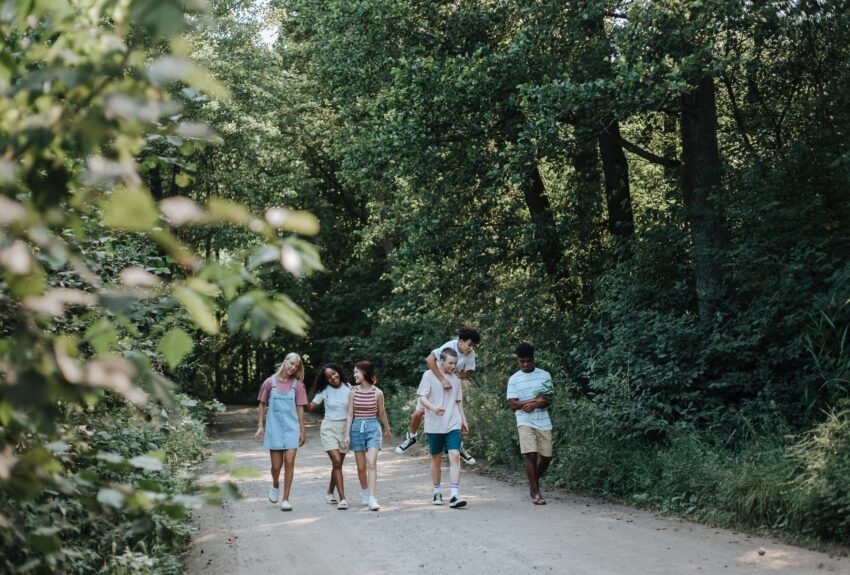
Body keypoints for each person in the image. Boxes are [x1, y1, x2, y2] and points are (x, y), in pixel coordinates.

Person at [396, 327, 480, 464]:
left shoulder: (471, 353)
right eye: (469, 345)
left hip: (451, 386)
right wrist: (442, 379)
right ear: (461, 341)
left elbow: (470, 369)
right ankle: (411, 437)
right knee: (417, 413)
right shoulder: (449, 346)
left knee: (455, 415)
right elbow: (429, 360)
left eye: (473, 346)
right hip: (435, 381)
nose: (471, 348)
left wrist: (461, 375)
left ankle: (459, 447)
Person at [255, 352, 308, 511]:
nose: (293, 367)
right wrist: (260, 425)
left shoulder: (298, 386)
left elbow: (300, 409)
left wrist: (302, 430)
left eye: (296, 365)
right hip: (274, 428)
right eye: (291, 363)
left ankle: (286, 499)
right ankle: (275, 483)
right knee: (276, 466)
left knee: (290, 461)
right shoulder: (269, 383)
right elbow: (262, 404)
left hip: (292, 429)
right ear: (285, 362)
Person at [417, 347, 468, 508]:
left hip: (453, 421)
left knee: (454, 455)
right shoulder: (428, 375)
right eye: (451, 363)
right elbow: (422, 397)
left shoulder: (456, 378)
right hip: (434, 423)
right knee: (436, 458)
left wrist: (464, 421)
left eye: (455, 363)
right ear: (441, 362)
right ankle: (437, 492)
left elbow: (458, 401)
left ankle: (454, 495)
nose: (454, 366)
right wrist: (432, 408)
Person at [506, 343, 553, 505]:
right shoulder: (514, 379)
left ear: (533, 359)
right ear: (518, 361)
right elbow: (513, 405)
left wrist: (535, 404)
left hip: (543, 421)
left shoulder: (545, 375)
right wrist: (535, 400)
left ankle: (533, 482)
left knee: (547, 457)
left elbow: (548, 400)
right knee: (530, 454)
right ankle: (536, 493)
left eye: (528, 361)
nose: (525, 364)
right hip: (524, 421)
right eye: (522, 361)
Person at [344, 360, 392, 511]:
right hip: (357, 428)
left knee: (371, 462)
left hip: (373, 428)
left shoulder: (378, 393)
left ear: (364, 372)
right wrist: (347, 435)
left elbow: (382, 413)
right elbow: (350, 414)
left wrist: (387, 429)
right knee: (360, 467)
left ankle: (372, 498)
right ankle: (365, 493)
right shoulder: (353, 391)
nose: (354, 375)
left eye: (356, 372)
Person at [307, 363, 351, 510]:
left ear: (338, 372)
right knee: (337, 461)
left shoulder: (349, 388)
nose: (333, 377)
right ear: (326, 380)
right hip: (329, 428)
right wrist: (300, 396)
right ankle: (343, 498)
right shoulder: (324, 391)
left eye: (334, 373)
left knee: (337, 465)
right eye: (329, 377)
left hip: (345, 429)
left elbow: (355, 408)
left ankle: (330, 491)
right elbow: (311, 407)